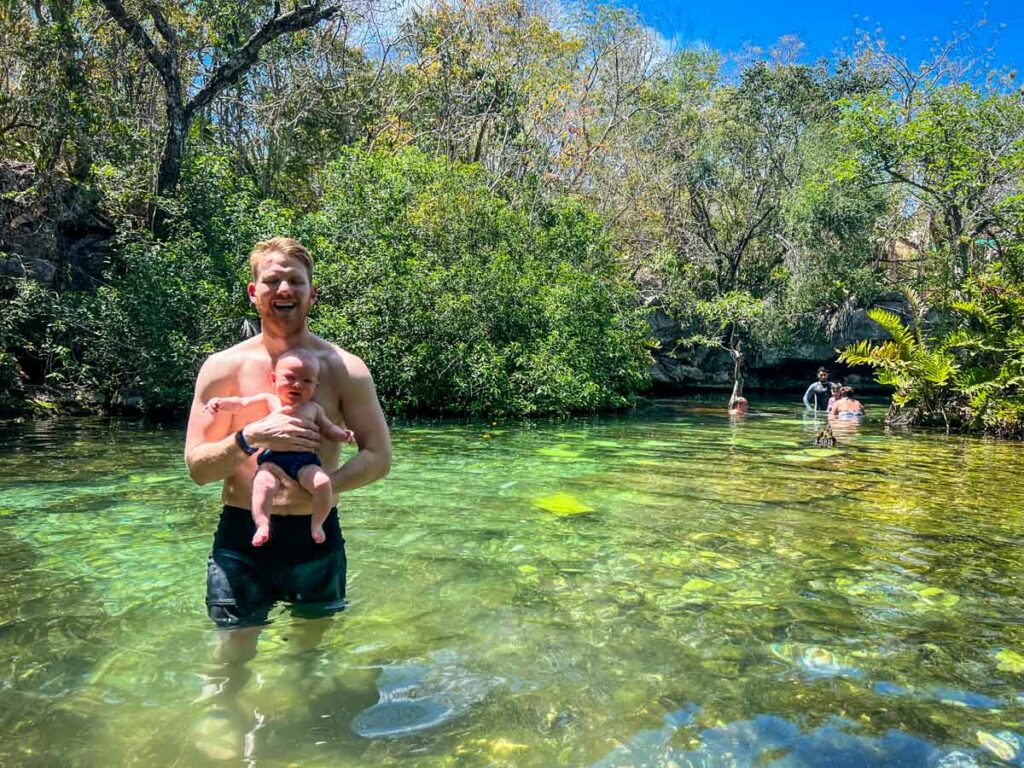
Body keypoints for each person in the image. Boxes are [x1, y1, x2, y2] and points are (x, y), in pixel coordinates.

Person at [184, 237, 391, 639]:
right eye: (273, 280)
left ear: (311, 294)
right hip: (241, 538)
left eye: (295, 281)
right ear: (253, 292)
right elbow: (197, 468)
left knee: (307, 664)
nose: (284, 290)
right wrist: (249, 436)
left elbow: (378, 457)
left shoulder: (345, 369)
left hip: (315, 537)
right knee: (231, 661)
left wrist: (326, 485)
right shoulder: (222, 367)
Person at [203, 348, 356, 547]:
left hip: (304, 462)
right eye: (290, 377)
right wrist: (221, 403)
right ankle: (262, 524)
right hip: (272, 459)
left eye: (307, 381)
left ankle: (317, 523)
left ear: (315, 386)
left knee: (322, 483)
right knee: (262, 484)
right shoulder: (270, 401)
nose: (297, 384)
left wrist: (343, 435)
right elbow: (242, 404)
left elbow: (329, 429)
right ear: (274, 380)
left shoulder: (314, 409)